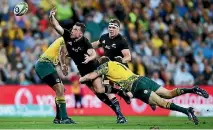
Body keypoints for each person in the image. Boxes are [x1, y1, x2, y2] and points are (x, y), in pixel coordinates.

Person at [49, 7, 128, 123]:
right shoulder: (67, 36)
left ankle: (120, 98)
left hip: (93, 68)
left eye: (75, 29)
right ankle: (119, 113)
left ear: (80, 33)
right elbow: (56, 27)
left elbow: (93, 53)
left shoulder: (85, 41)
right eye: (73, 28)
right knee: (99, 94)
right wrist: (52, 16)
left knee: (100, 89)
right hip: (83, 72)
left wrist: (89, 58)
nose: (72, 30)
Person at [80, 56, 210, 125]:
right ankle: (192, 89)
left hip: (136, 86)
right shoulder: (117, 65)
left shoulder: (105, 67)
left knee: (162, 103)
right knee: (169, 93)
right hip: (143, 79)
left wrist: (83, 78)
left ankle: (187, 111)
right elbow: (114, 84)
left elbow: (98, 81)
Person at [92, 19, 132, 123]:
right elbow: (95, 44)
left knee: (131, 93)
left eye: (113, 27)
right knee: (107, 89)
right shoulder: (104, 37)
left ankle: (147, 98)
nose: (111, 29)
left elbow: (128, 57)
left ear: (118, 29)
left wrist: (120, 60)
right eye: (110, 27)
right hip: (107, 71)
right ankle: (120, 116)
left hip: (120, 70)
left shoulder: (121, 40)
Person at [34, 37, 75, 124]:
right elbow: (62, 53)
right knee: (60, 89)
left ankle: (58, 118)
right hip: (44, 64)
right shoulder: (64, 39)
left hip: (48, 65)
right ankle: (64, 118)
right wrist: (63, 65)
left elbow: (63, 54)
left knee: (61, 89)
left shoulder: (66, 42)